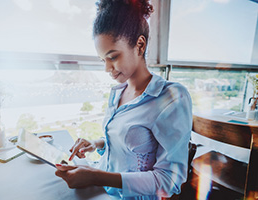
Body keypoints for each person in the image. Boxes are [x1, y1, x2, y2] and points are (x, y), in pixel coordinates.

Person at [55, 0, 192, 199]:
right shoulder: (118, 92)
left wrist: (96, 177)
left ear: (140, 44)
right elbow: (130, 145)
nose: (106, 69)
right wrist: (96, 143)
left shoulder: (171, 98)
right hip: (103, 189)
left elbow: (169, 180)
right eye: (103, 60)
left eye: (113, 57)